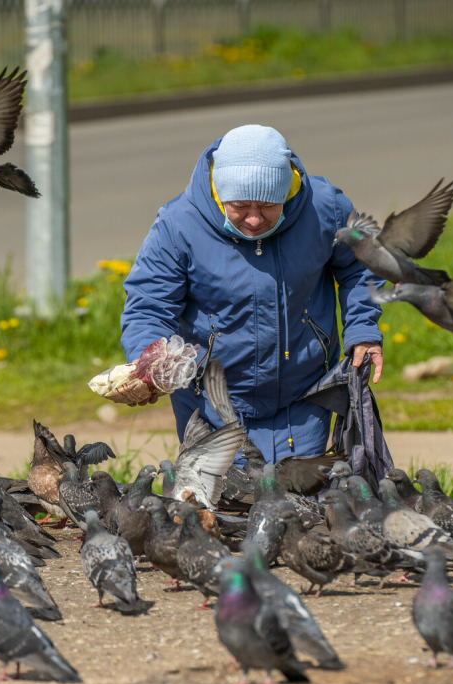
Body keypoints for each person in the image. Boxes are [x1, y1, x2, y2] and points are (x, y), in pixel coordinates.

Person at [119, 124, 384, 461]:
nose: (255, 220)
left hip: (304, 393)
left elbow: (361, 265)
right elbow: (147, 306)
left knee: (297, 504)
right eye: (240, 206)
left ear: (287, 191)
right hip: (211, 399)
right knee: (220, 505)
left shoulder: (325, 208)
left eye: (268, 206)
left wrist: (362, 329)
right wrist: (150, 360)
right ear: (219, 192)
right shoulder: (178, 225)